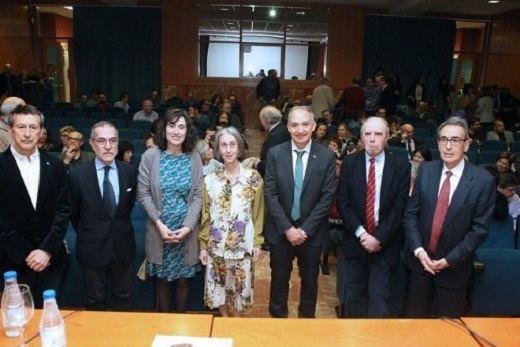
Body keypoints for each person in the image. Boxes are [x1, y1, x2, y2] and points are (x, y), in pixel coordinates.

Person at [404, 117, 495, 318]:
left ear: (467, 144)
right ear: (437, 143)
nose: (448, 146)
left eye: (455, 140)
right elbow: (411, 214)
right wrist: (419, 251)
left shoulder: (483, 181)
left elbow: (479, 230)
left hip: (454, 269)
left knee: (446, 332)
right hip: (420, 264)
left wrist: (448, 260)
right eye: (443, 139)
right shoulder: (426, 170)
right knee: (414, 328)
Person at [264, 105, 336, 318]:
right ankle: (278, 327)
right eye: (295, 124)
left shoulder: (326, 156)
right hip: (280, 232)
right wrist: (288, 229)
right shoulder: (275, 154)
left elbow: (327, 198)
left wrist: (304, 230)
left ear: (314, 126)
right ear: (288, 127)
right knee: (278, 284)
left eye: (305, 124)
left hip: (311, 234)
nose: (300, 129)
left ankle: (306, 327)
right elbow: (271, 195)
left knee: (310, 286)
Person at [337, 116, 410, 318]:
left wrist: (378, 238)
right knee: (353, 299)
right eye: (367, 134)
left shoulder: (401, 165)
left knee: (380, 301)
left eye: (378, 134)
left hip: (385, 245)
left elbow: (400, 206)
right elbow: (343, 203)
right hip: (355, 242)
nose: (372, 139)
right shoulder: (350, 163)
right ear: (361, 137)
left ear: (387, 137)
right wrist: (362, 234)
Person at [0, 104, 70, 308]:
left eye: (33, 127)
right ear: (11, 130)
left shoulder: (55, 165)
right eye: (22, 127)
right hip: (13, 263)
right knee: (18, 321)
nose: (28, 133)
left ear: (41, 131)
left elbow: (63, 210)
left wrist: (46, 251)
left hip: (51, 261)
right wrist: (26, 254)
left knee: (48, 319)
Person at [137, 109, 203, 313]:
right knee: (163, 282)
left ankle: (181, 324)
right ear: (164, 129)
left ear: (187, 131)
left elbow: (199, 196)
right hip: (160, 231)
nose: (176, 131)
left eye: (181, 126)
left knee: (184, 280)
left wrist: (188, 227)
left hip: (186, 232)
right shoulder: (151, 156)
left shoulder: (194, 158)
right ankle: (164, 325)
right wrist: (159, 224)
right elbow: (144, 192)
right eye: (172, 125)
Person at [69, 121, 137, 310]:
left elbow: (127, 208)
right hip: (92, 247)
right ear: (91, 143)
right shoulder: (77, 175)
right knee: (94, 301)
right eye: (101, 140)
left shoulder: (130, 172)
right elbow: (74, 214)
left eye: (112, 140)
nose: (108, 146)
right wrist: (92, 230)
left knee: (124, 298)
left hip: (123, 245)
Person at [199, 127, 264, 317]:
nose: (228, 150)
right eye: (223, 145)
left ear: (239, 147)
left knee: (239, 289)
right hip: (216, 245)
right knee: (219, 288)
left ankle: (235, 322)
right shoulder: (210, 180)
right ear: (218, 150)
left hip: (243, 245)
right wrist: (203, 245)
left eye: (232, 144)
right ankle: (224, 320)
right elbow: (205, 215)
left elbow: (258, 213)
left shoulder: (253, 178)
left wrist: (258, 241)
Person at [254, 106, 291, 177]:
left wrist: (258, 164)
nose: (261, 122)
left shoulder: (275, 136)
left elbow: (273, 164)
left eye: (261, 119)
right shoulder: (284, 128)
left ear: (267, 120)